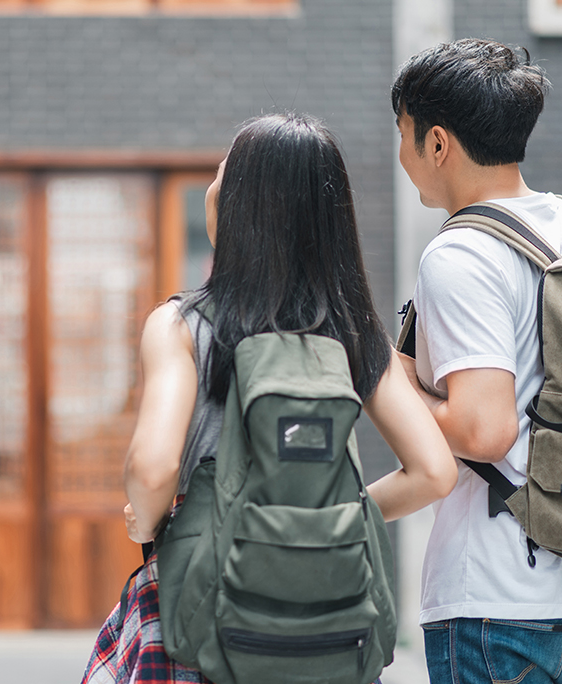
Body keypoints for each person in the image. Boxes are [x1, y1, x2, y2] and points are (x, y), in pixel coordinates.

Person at [82, 113, 457, 684]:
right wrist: (319, 521)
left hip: (205, 613)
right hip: (328, 626)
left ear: (238, 207)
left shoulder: (182, 325)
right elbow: (433, 471)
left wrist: (146, 521)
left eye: (221, 177)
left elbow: (152, 467)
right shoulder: (353, 332)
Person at [392, 39, 562, 683]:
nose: (403, 155)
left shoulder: (461, 252)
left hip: (496, 599)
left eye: (404, 134)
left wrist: (386, 382)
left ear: (436, 143)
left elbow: (484, 428)